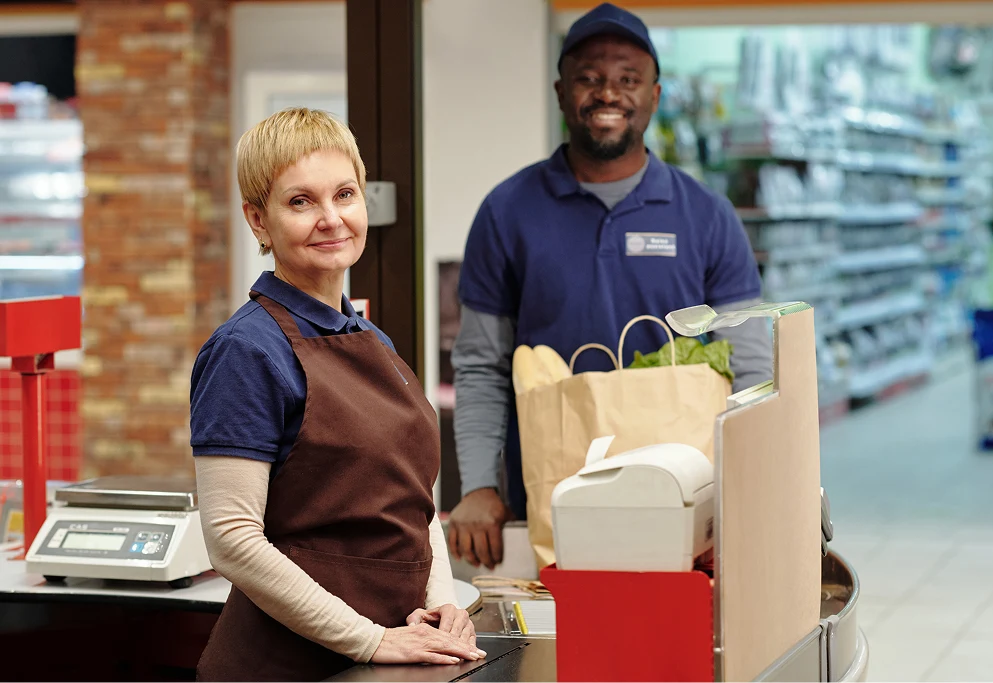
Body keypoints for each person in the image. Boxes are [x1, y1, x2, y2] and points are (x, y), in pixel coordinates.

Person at [448, 3, 773, 570]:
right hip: (553, 496)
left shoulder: (706, 216)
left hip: (686, 502)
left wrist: (747, 492)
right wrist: (478, 485)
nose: (608, 94)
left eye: (628, 79)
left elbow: (751, 370)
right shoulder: (507, 212)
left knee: (670, 650)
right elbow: (481, 363)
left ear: (654, 95)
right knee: (564, 650)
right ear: (560, 90)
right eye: (590, 78)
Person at [189, 108, 486, 681]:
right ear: (258, 220)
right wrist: (371, 640)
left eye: (344, 194)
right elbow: (231, 540)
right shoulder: (246, 350)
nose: (331, 219)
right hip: (290, 667)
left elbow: (413, 498)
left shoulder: (371, 339)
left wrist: (445, 605)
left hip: (393, 652)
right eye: (300, 202)